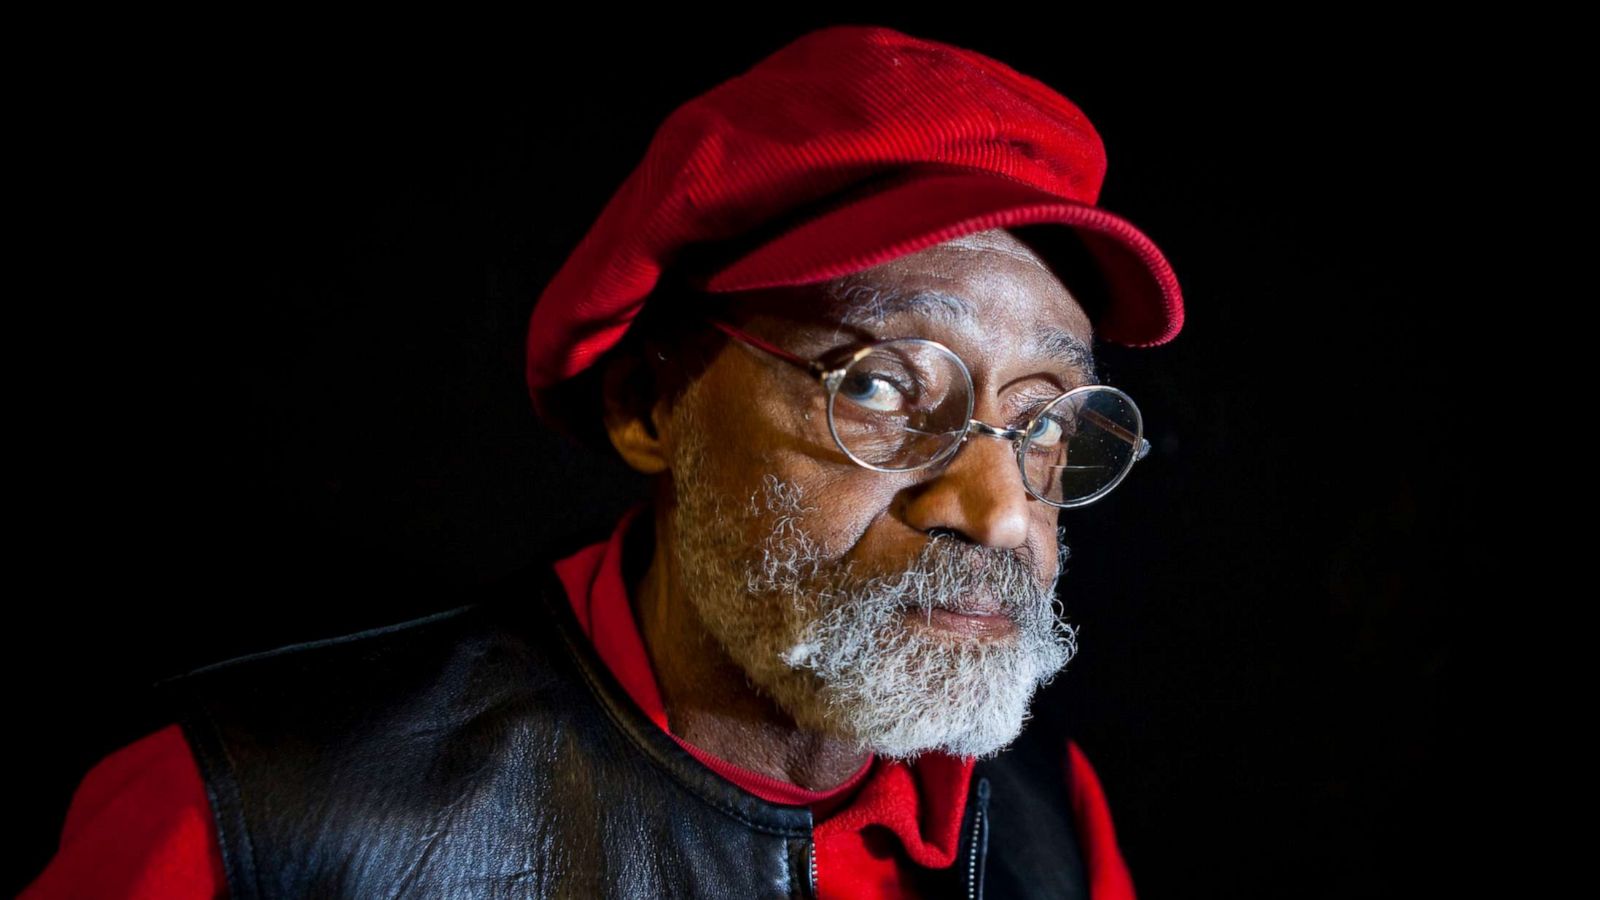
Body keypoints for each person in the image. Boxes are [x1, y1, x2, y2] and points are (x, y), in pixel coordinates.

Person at [22, 23, 1183, 899]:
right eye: (880, 386)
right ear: (649, 404)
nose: (993, 511)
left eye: (1039, 421)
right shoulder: (253, 818)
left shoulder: (1051, 834)